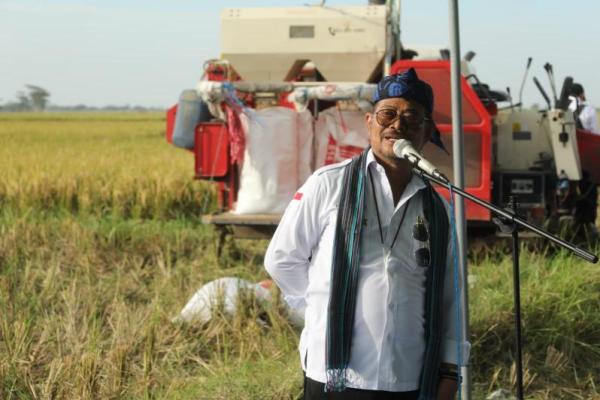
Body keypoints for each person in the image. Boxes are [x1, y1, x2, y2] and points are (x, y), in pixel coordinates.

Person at [265, 68, 469, 400]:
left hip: (407, 375)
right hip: (334, 373)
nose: (397, 125)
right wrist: (321, 306)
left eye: (411, 118)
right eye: (387, 114)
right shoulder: (328, 183)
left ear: (427, 131)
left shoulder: (437, 208)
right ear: (369, 122)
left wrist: (450, 369)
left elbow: (451, 295)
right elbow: (282, 260)